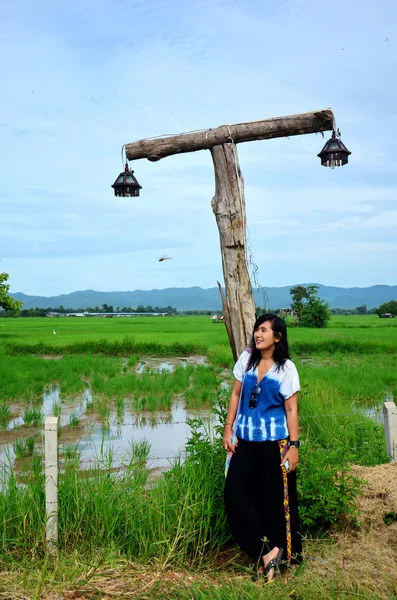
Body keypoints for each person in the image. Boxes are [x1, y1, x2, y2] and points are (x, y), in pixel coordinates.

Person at [223, 313, 302, 581]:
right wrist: (228, 427)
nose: (258, 334)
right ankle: (268, 551)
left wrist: (294, 445)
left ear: (277, 337)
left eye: (264, 330)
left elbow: (291, 409)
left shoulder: (286, 369)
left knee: (272, 501)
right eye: (257, 329)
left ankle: (269, 556)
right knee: (235, 494)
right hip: (244, 442)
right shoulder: (246, 360)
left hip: (274, 445)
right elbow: (235, 394)